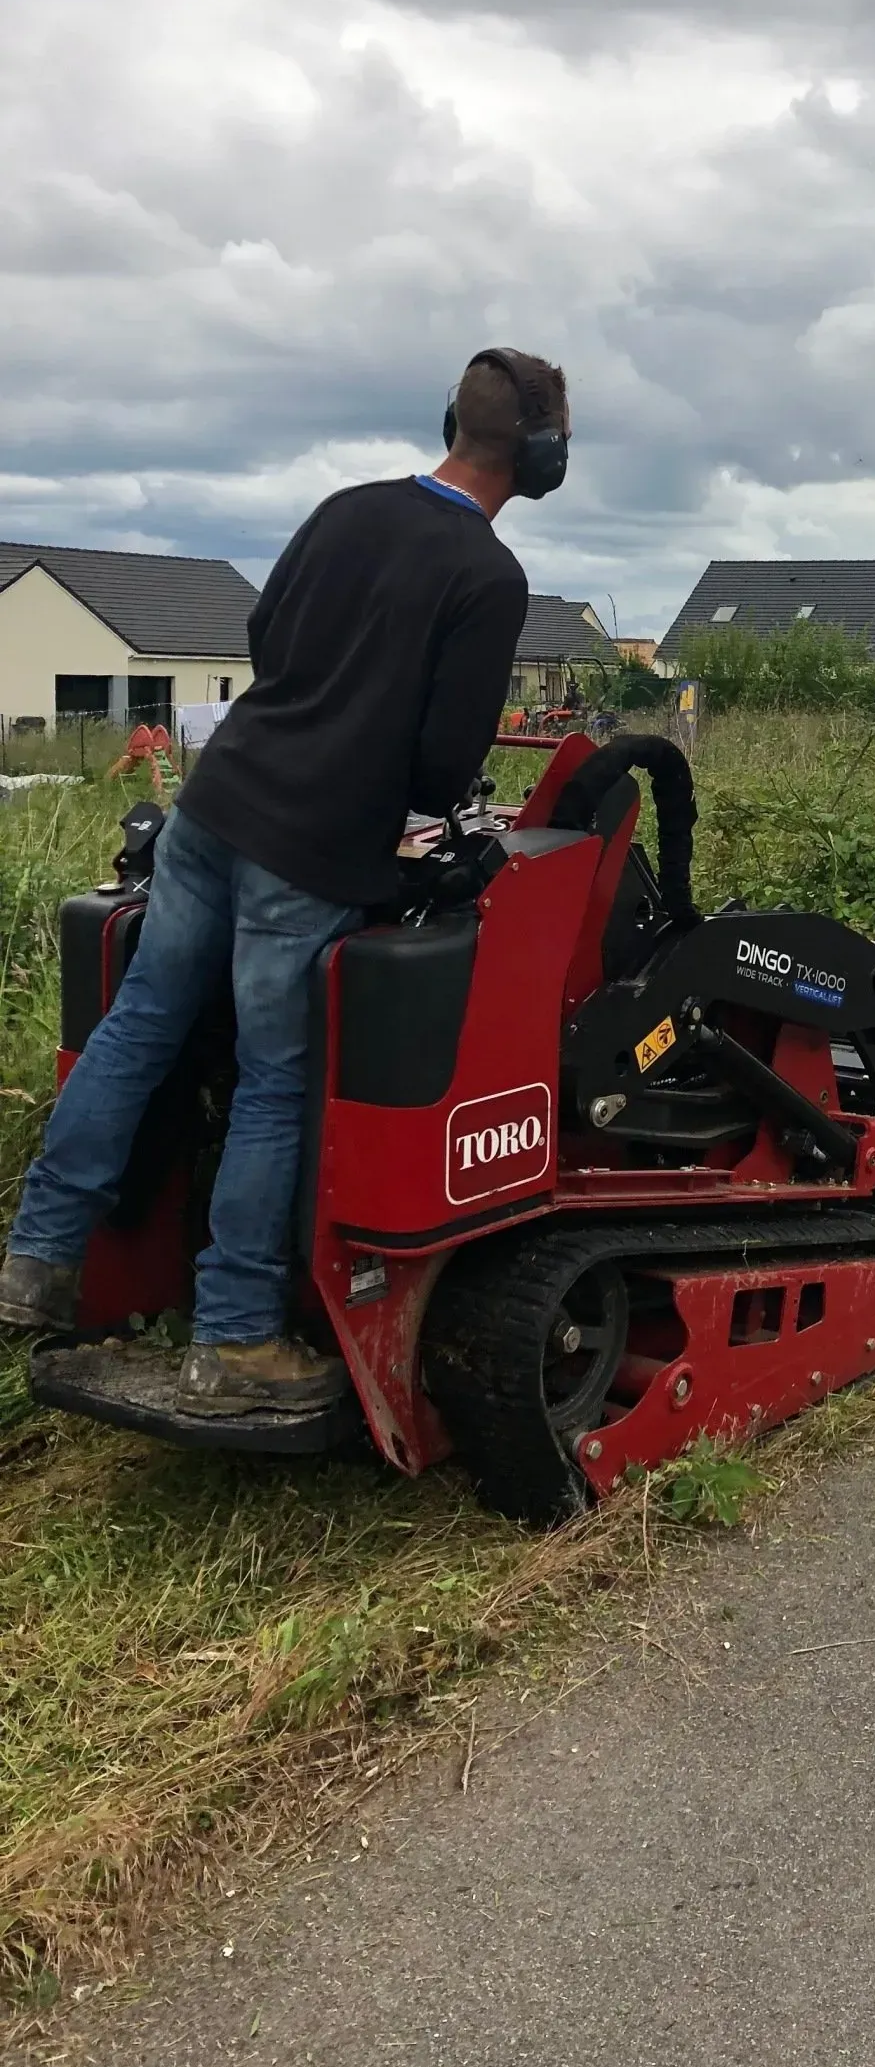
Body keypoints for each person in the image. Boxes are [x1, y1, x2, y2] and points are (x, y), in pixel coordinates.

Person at [0, 346, 569, 1415]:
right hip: (305, 852)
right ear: (543, 457)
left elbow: (268, 641)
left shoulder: (343, 507)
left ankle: (36, 1261)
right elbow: (446, 767)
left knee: (140, 1024)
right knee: (274, 1079)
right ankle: (237, 1337)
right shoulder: (488, 578)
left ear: (452, 418)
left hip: (212, 809)